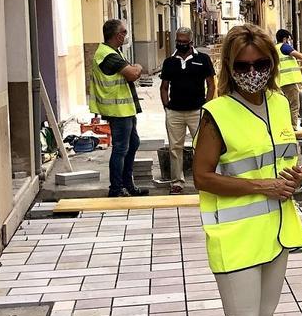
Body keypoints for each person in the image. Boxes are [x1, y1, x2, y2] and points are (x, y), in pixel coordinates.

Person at [192, 24, 302, 316]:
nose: (254, 73)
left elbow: (284, 158)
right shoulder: (216, 113)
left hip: (277, 232)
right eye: (244, 66)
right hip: (237, 237)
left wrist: (293, 177)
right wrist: (259, 185)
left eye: (262, 64)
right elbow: (202, 176)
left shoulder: (280, 103)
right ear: (229, 68)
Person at [89, 19, 149, 198]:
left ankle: (127, 185)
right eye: (124, 32)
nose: (126, 35)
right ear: (117, 35)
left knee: (133, 144)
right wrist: (137, 66)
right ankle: (116, 189)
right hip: (118, 110)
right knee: (121, 148)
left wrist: (133, 68)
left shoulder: (113, 52)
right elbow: (132, 74)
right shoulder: (108, 55)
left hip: (125, 109)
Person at [160, 26, 216, 194]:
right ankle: (177, 182)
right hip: (175, 112)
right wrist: (167, 106)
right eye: (178, 41)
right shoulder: (169, 62)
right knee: (174, 148)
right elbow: (164, 87)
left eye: (184, 42)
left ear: (191, 42)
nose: (181, 44)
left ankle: (204, 180)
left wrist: (206, 107)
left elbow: (211, 85)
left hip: (196, 111)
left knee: (201, 147)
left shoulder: (203, 59)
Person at [275, 29, 302, 129]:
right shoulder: (284, 46)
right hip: (288, 81)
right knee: (294, 105)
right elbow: (300, 56)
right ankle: (293, 128)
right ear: (285, 38)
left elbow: (284, 66)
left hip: (284, 81)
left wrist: (300, 68)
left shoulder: (276, 48)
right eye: (289, 39)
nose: (289, 42)